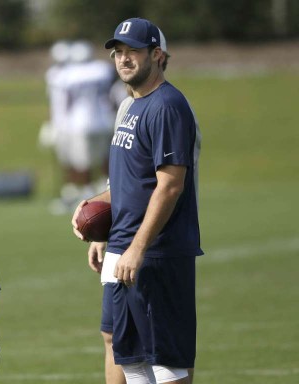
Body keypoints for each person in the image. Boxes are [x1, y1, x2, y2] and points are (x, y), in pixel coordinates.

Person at [72, 18, 202, 384]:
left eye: (134, 52)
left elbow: (170, 186)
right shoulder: (129, 106)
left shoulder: (167, 106)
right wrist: (102, 231)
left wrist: (137, 247)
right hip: (121, 245)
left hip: (155, 250)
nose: (124, 59)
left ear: (157, 55)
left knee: (164, 360)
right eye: (119, 52)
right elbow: (126, 183)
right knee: (126, 353)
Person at [44, 40, 125, 215]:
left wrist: (55, 124)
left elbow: (63, 102)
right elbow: (116, 90)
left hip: (78, 123)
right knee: (106, 159)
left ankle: (88, 196)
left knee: (82, 163)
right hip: (105, 119)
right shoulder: (102, 69)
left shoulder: (65, 74)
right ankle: (108, 193)